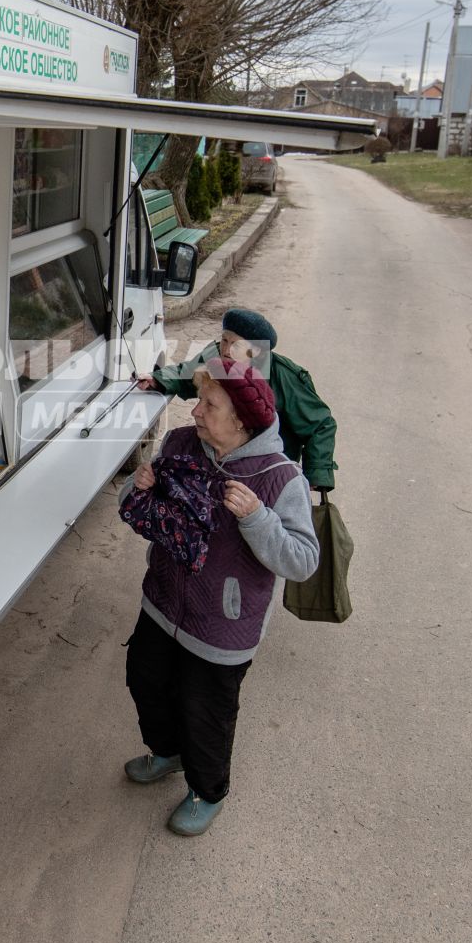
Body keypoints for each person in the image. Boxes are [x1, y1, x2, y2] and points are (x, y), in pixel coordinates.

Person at [120, 359, 318, 836]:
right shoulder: (182, 444)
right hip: (163, 601)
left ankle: (207, 791)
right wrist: (137, 484)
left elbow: (303, 560)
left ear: (241, 421)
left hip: (222, 625)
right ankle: (166, 752)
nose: (195, 411)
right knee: (144, 678)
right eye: (199, 399)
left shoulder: (280, 476)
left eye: (209, 404)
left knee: (203, 710)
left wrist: (258, 519)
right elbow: (145, 505)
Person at [139, 308, 337, 492]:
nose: (226, 350)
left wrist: (314, 475)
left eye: (236, 345)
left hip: (268, 469)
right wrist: (157, 379)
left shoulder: (284, 377)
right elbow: (187, 374)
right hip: (224, 460)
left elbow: (321, 425)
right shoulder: (217, 357)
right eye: (225, 340)